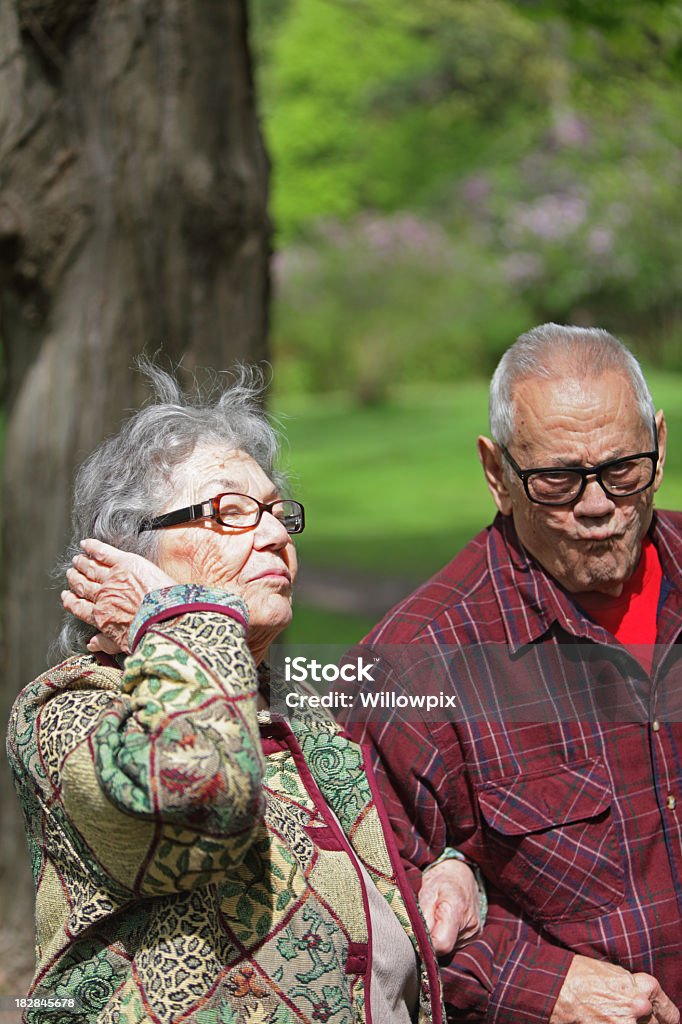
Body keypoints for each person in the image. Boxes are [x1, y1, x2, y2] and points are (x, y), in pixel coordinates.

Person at [7, 364, 472, 1024]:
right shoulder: (69, 711)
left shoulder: (300, 709)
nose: (279, 535)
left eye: (279, 513)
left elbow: (399, 836)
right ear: (129, 553)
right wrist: (177, 615)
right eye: (230, 513)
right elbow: (206, 795)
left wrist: (449, 873)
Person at [355, 325, 682, 1023]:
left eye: (623, 469)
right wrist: (540, 985)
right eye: (559, 480)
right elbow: (364, 891)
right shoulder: (411, 662)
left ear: (659, 444)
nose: (597, 506)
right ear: (497, 474)